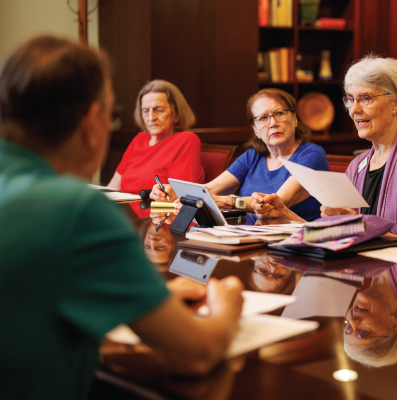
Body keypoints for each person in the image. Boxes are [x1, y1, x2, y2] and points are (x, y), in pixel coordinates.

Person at [0, 36, 243, 400]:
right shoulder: (74, 210)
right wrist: (229, 304)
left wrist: (148, 298)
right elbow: (196, 355)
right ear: (91, 122)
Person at [252, 56, 397, 246]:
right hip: (380, 275)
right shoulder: (359, 165)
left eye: (366, 98)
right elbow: (341, 234)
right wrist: (285, 214)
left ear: (396, 103)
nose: (354, 110)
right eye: (350, 99)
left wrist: (354, 224)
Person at [151, 88, 328, 221]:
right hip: (248, 238)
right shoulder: (253, 156)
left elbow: (276, 203)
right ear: (255, 130)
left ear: (295, 119)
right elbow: (211, 189)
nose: (273, 123)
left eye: (280, 113)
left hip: (293, 244)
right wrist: (176, 193)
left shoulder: (312, 155)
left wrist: (225, 202)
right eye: (263, 118)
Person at [107, 79, 204, 194]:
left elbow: (179, 196)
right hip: (125, 210)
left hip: (156, 211)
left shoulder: (186, 141)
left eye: (158, 110)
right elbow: (114, 185)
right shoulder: (139, 139)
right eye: (145, 111)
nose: (151, 118)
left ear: (176, 113)